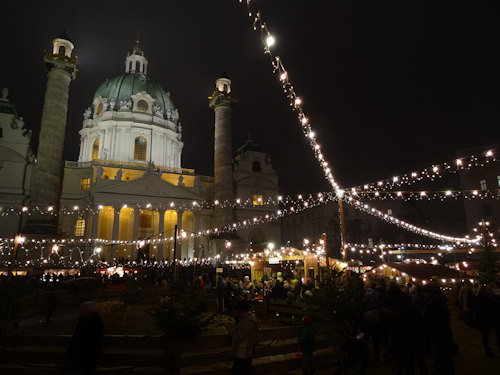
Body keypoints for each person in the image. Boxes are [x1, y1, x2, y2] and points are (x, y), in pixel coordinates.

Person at [67, 301, 104, 374]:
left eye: (83, 311)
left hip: (90, 353)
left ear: (88, 311)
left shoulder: (96, 320)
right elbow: (76, 335)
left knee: (84, 366)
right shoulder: (82, 319)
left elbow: (97, 340)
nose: (81, 312)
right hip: (81, 352)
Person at [224, 299, 259, 375]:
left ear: (242, 310)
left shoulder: (247, 322)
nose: (236, 312)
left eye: (237, 310)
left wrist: (229, 328)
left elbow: (238, 337)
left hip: (243, 353)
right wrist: (233, 327)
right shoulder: (247, 320)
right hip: (245, 352)